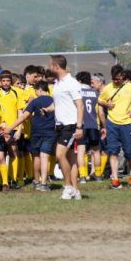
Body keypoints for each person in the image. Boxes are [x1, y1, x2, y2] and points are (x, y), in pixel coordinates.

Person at [98, 65, 131, 188]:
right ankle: (115, 179)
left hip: (127, 124)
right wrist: (106, 104)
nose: (116, 81)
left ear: (123, 76)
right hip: (112, 124)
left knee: (129, 152)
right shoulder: (108, 88)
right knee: (113, 152)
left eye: (118, 78)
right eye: (114, 79)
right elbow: (99, 100)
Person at [4, 80, 55, 192]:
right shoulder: (54, 101)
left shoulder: (35, 102)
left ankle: (36, 181)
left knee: (36, 157)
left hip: (36, 132)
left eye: (36, 90)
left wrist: (10, 127)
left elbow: (23, 116)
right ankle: (44, 183)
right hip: (50, 132)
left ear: (39, 89)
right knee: (45, 157)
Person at [49, 55, 84, 200]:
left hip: (70, 125)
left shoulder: (72, 82)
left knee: (59, 155)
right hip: (59, 125)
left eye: (50, 65)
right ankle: (76, 190)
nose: (49, 68)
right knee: (71, 158)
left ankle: (68, 186)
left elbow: (80, 105)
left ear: (56, 66)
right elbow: (59, 103)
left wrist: (79, 127)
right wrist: (48, 109)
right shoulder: (57, 83)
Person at [0, 70, 24, 189]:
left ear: (11, 82)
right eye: (3, 81)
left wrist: (19, 129)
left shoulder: (17, 93)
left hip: (13, 127)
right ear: (0, 82)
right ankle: (3, 180)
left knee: (13, 152)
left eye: (8, 81)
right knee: (0, 155)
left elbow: (20, 112)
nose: (6, 83)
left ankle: (14, 179)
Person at [75, 71, 101, 184]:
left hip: (81, 125)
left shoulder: (77, 92)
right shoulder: (95, 93)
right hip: (93, 125)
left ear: (79, 81)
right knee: (96, 151)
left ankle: (82, 176)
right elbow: (100, 112)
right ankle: (99, 175)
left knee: (81, 151)